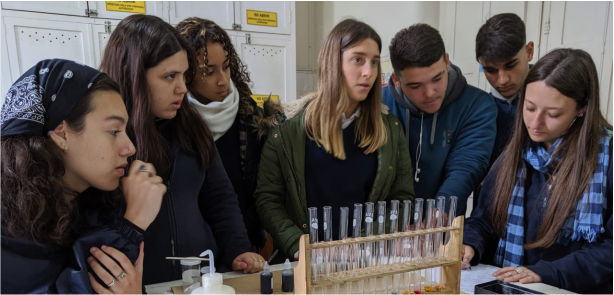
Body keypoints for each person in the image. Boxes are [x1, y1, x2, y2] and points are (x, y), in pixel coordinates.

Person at [100, 14, 264, 285]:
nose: (182, 88)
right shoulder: (106, 140)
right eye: (169, 76)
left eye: (184, 75)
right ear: (134, 76)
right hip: (138, 285)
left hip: (200, 282)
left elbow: (220, 197)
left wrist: (238, 248)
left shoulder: (191, 124)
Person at [0, 59, 165, 294]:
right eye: (114, 131)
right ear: (61, 133)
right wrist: (132, 225)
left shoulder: (94, 204)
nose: (130, 148)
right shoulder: (8, 223)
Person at [255, 19, 415, 261]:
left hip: (363, 260)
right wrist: (299, 245)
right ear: (332, 62)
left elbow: (402, 198)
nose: (369, 72)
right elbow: (268, 198)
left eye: (374, 61)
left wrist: (363, 243)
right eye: (358, 59)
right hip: (302, 261)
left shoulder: (388, 128)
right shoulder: (286, 127)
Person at [462, 49, 613, 294]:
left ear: (583, 108)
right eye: (530, 108)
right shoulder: (516, 152)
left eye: (553, 114)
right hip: (510, 286)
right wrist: (469, 243)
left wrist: (548, 273)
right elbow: (484, 220)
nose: (535, 124)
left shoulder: (607, 160)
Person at [176, 17, 276, 252]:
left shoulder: (249, 113)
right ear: (186, 72)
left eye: (227, 66)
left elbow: (261, 189)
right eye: (208, 72)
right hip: (192, 249)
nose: (223, 80)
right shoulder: (173, 119)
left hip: (243, 240)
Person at [382, 23, 497, 215]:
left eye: (437, 78)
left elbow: (465, 168)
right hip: (383, 228)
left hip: (443, 227)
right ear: (396, 79)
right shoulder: (377, 105)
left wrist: (436, 219)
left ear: (447, 62)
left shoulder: (478, 105)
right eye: (416, 85)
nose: (429, 93)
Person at [476, 13, 534, 172]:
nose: (502, 80)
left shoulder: (556, 96)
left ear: (529, 51)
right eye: (490, 70)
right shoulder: (475, 108)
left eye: (510, 66)